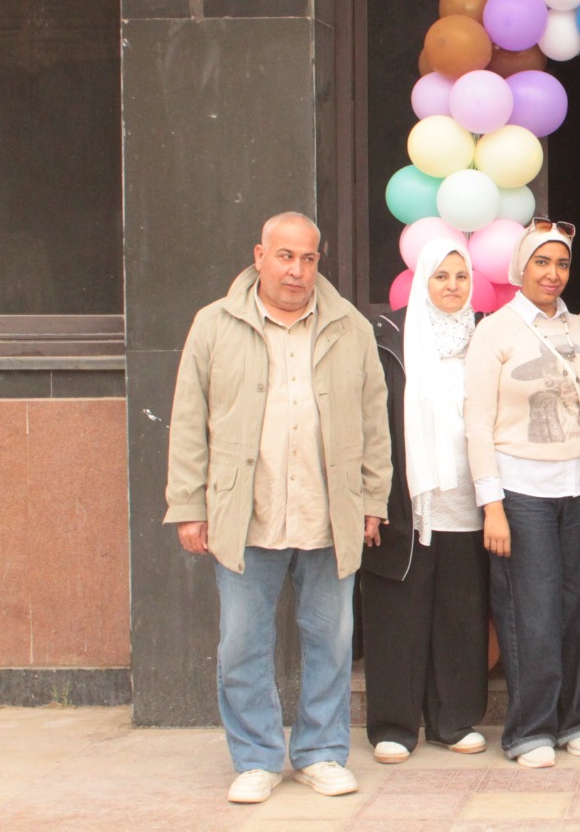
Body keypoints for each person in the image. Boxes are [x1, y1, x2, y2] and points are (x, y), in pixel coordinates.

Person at [165, 212, 391, 805]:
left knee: (331, 642)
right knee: (241, 644)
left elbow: (374, 420)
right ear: (260, 256)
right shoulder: (215, 324)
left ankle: (321, 753)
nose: (297, 270)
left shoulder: (349, 327)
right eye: (285, 256)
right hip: (246, 514)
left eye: (308, 259)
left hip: (328, 513)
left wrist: (373, 499)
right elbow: (189, 420)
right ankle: (257, 758)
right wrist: (189, 504)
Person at [465, 219, 580, 769]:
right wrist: (492, 505)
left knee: (578, 611)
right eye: (542, 262)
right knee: (532, 612)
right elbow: (477, 424)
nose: (553, 273)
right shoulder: (494, 331)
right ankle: (529, 729)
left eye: (562, 263)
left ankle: (575, 720)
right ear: (521, 268)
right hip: (520, 490)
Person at [361, 238, 488, 765]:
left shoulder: (486, 334)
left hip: (470, 499)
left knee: (460, 614)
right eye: (441, 276)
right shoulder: (389, 336)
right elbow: (369, 420)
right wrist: (370, 496)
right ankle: (394, 726)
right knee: (397, 613)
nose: (453, 286)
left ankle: (452, 720)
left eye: (461, 276)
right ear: (422, 281)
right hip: (406, 501)